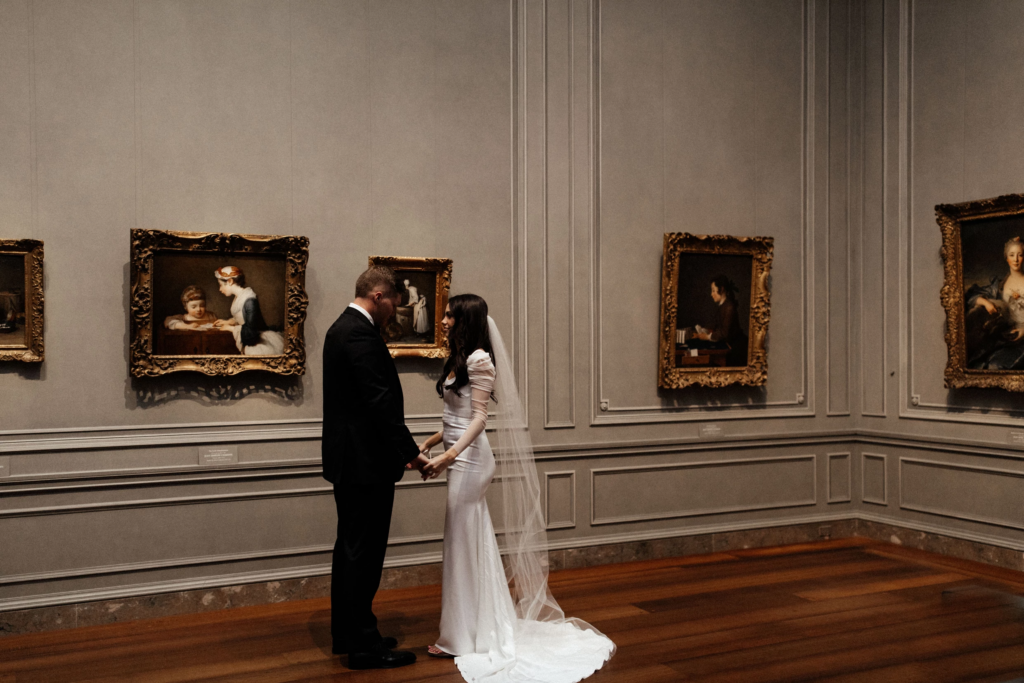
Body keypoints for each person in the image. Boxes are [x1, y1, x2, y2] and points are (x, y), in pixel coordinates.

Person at [416, 294, 615, 683]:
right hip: (459, 457)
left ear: (465, 320)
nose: (441, 321)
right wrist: (432, 441)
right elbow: (455, 417)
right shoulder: (460, 358)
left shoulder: (479, 360)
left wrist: (450, 455)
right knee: (465, 541)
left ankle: (461, 635)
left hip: (473, 463)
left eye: (448, 316)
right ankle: (472, 627)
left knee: (459, 541)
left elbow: (478, 420)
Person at [321, 266, 428, 670]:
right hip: (365, 464)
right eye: (394, 305)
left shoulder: (340, 328)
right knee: (362, 556)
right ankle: (364, 647)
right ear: (380, 296)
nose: (395, 313)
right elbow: (379, 402)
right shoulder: (360, 333)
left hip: (352, 460)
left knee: (350, 550)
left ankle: (349, 634)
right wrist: (411, 452)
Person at [965, 236, 1024, 369]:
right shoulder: (999, 285)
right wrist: (986, 303)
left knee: (997, 365)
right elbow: (971, 296)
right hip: (1004, 337)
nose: (1015, 259)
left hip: (1022, 340)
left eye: (1020, 255)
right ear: (1006, 258)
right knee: (979, 364)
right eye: (1012, 255)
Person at [212, 266, 285, 355]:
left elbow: (251, 332)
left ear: (230, 281)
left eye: (220, 285)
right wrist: (228, 322)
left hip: (259, 342)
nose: (220, 289)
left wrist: (231, 328)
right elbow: (242, 317)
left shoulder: (249, 299)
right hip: (251, 336)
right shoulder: (240, 296)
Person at [694, 275, 749, 367]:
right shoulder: (723, 305)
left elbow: (724, 333)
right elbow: (718, 327)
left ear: (722, 289)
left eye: (713, 291)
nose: (711, 294)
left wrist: (707, 337)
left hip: (736, 348)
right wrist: (705, 332)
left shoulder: (729, 307)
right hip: (729, 345)